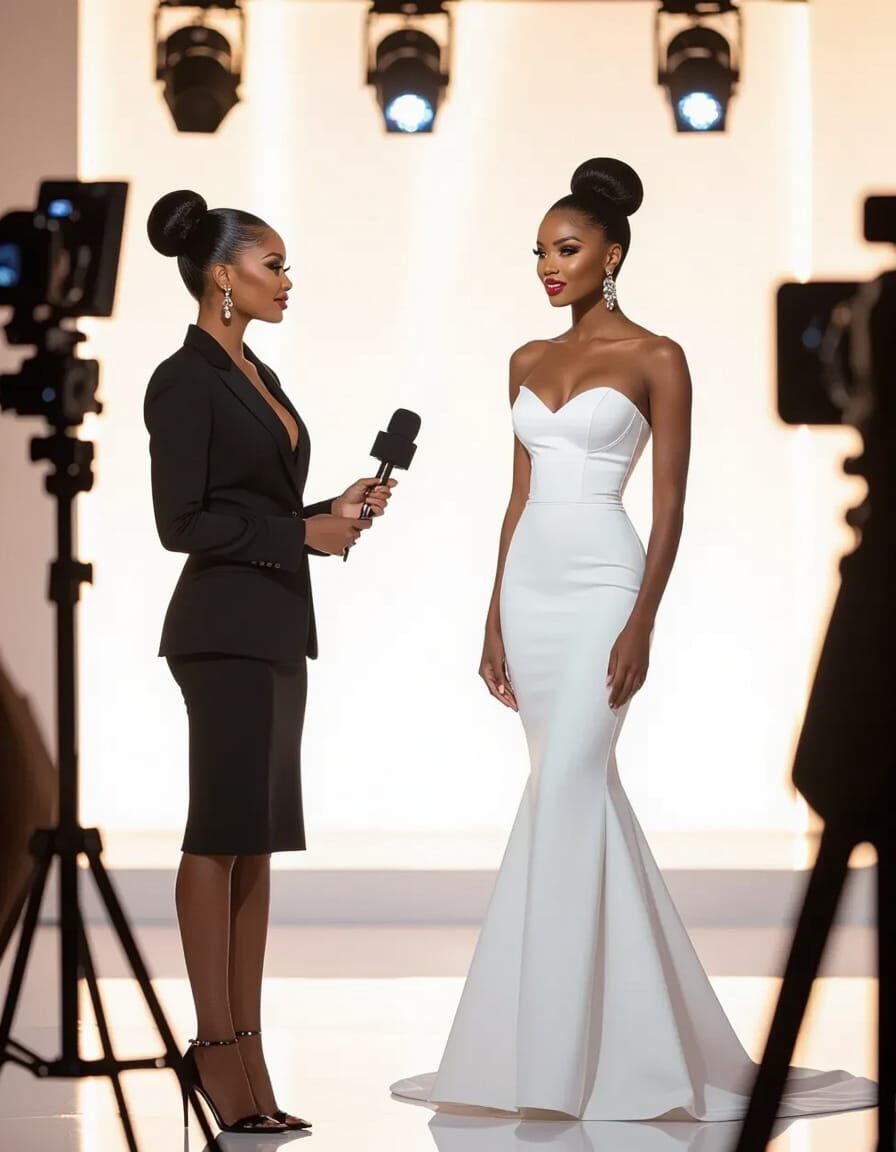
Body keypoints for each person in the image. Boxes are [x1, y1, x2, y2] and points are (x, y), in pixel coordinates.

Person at [389, 158, 876, 1121]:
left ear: (611, 253)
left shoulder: (659, 356)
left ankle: (559, 1057)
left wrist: (643, 619)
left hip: (608, 580)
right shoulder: (525, 361)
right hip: (530, 588)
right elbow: (517, 496)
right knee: (574, 798)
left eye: (565, 249)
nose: (547, 266)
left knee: (568, 788)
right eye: (538, 252)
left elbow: (672, 503)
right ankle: (593, 1044)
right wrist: (491, 612)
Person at [144, 189, 396, 1134]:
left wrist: (333, 506)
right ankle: (215, 1052)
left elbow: (259, 502)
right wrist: (300, 529)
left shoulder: (257, 373)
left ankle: (246, 1046)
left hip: (276, 626)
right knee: (217, 835)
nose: (286, 282)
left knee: (255, 839)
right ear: (221, 275)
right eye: (272, 265)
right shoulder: (185, 378)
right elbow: (183, 523)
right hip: (220, 630)